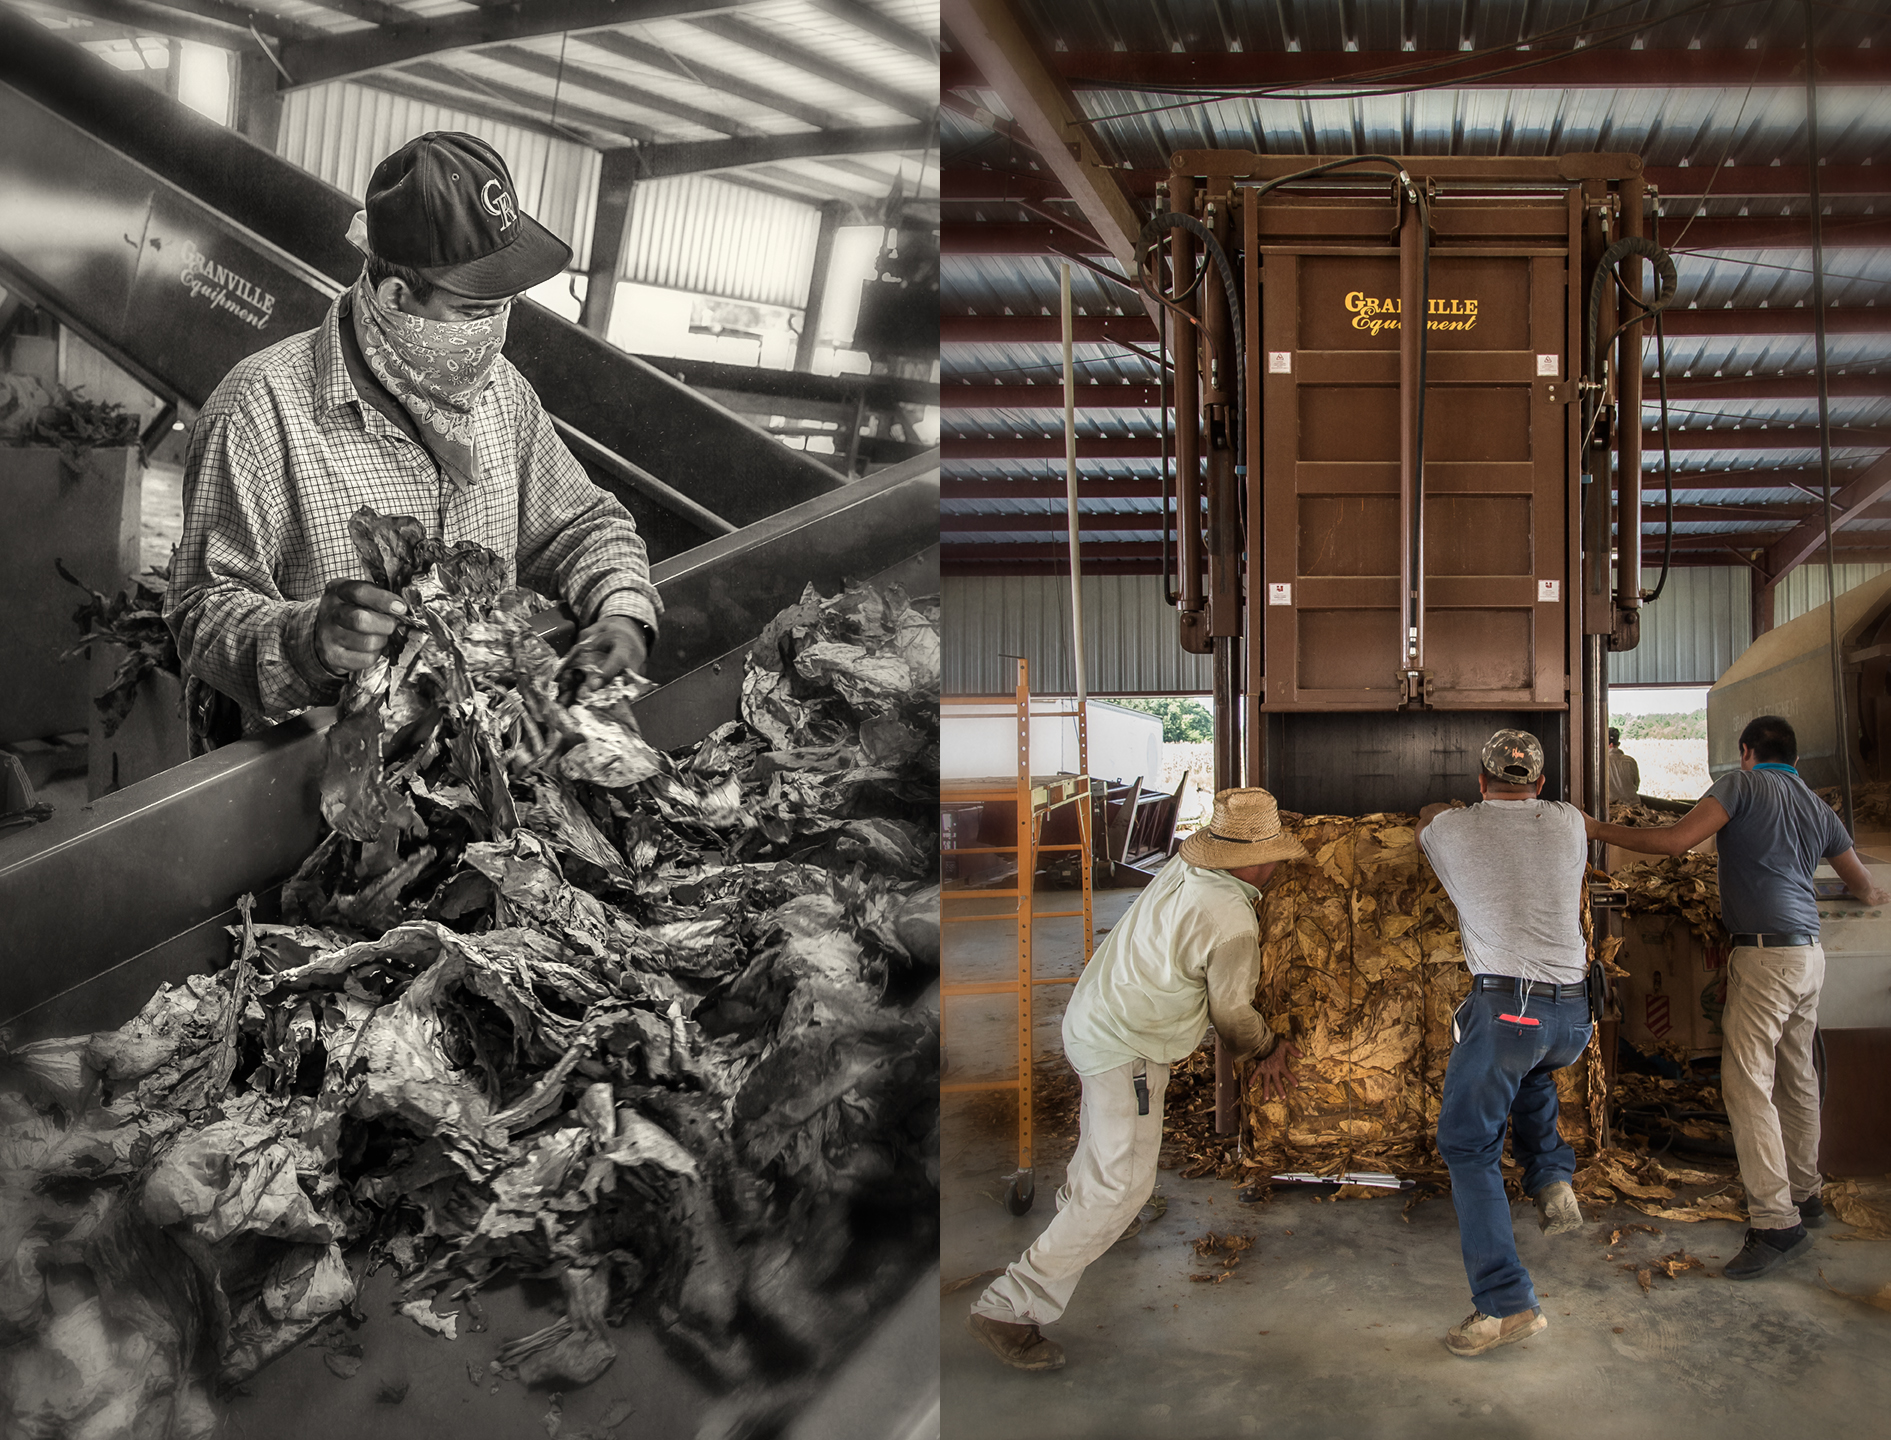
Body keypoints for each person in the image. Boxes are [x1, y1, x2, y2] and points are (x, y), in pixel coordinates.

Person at [166, 132, 660, 751]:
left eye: (507, 306)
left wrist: (621, 608)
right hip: (311, 783)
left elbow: (581, 526)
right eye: (474, 311)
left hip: (473, 768)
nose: (496, 331)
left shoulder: (501, 396)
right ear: (396, 297)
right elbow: (200, 611)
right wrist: (308, 641)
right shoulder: (261, 409)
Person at [965, 789, 1307, 1372]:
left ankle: (1090, 1217)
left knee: (1102, 1151)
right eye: (1275, 854)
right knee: (1123, 1186)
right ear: (1256, 859)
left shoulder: (1188, 865)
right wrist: (1269, 1047)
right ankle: (1011, 1307)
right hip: (1126, 1048)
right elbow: (1230, 1014)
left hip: (1094, 1017)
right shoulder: (1231, 920)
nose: (1278, 866)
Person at [1586, 714, 1889, 1279]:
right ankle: (1807, 1193)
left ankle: (1776, 1223)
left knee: (1747, 1084)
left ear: (1746, 751)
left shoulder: (1742, 784)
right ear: (1793, 758)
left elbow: (1677, 842)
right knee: (1797, 1077)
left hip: (1765, 955)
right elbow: (1863, 885)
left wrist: (1598, 831)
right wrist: (1873, 896)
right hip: (1808, 956)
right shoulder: (1819, 807)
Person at [1415, 730, 1592, 1358]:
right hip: (1573, 1016)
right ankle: (1550, 1177)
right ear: (1541, 784)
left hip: (1510, 1009)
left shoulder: (1451, 830)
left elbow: (1428, 819)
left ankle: (1504, 1303)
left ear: (1480, 782)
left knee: (1466, 1144)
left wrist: (1450, 812)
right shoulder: (1570, 823)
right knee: (1529, 1070)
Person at [1607, 727, 1641, 806]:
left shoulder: (1601, 762)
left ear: (1610, 745)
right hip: (1633, 806)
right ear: (1618, 744)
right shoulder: (1630, 761)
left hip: (1612, 808)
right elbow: (1636, 785)